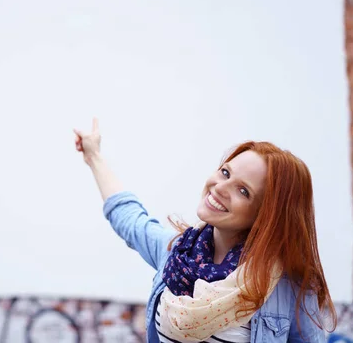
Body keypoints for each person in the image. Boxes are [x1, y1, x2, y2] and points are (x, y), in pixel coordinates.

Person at [74, 118, 337, 343]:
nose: (220, 187)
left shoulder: (287, 286)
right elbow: (129, 218)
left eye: (243, 191)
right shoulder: (177, 256)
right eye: (225, 173)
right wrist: (94, 156)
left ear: (265, 215)